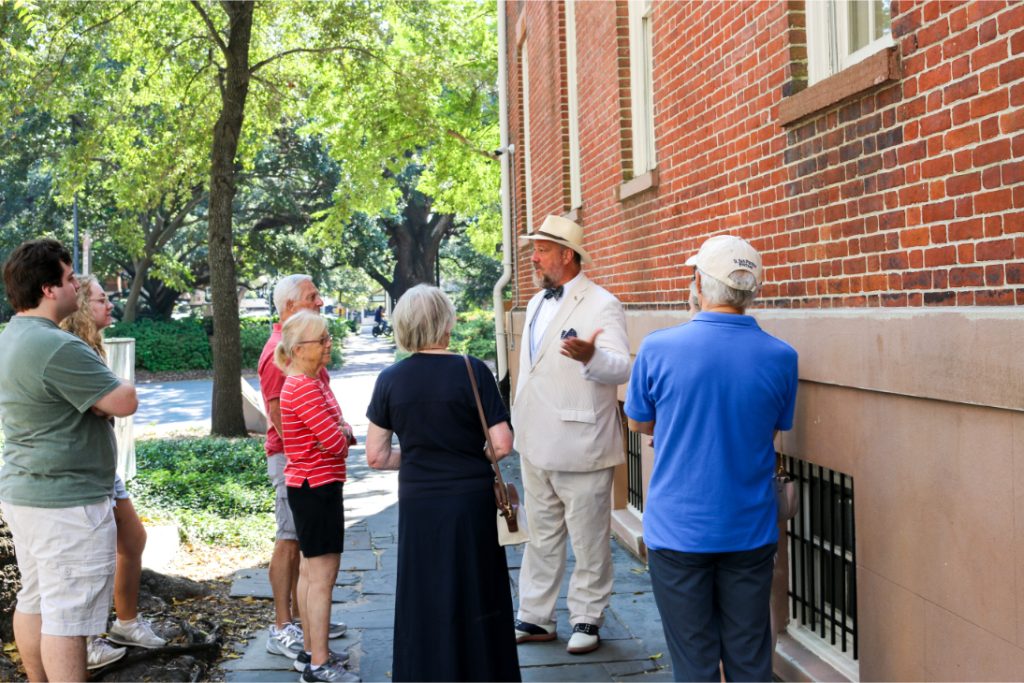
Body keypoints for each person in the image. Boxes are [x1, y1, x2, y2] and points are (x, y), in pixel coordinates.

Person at [624, 235, 798, 682]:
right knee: (750, 659)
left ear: (699, 282)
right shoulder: (782, 357)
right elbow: (774, 427)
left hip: (678, 532)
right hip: (749, 530)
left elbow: (639, 422)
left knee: (694, 663)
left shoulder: (658, 348)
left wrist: (674, 427)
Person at [365, 284, 521, 682]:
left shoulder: (390, 380)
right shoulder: (471, 370)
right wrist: (467, 454)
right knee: (478, 586)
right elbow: (502, 444)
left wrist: (420, 455)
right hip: (470, 500)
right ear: (446, 322)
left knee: (424, 591)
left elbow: (377, 456)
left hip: (420, 501)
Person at [0, 239, 138, 682]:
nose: (76, 284)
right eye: (69, 276)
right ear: (48, 289)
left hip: (27, 494)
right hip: (67, 503)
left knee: (36, 599)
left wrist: (93, 400)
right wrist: (99, 397)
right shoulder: (58, 347)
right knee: (68, 618)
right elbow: (123, 399)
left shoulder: (11, 335)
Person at [510, 215, 631, 655]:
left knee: (588, 539)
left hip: (581, 442)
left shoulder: (602, 303)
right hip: (534, 441)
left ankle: (587, 617)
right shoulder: (539, 302)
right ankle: (536, 616)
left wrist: (592, 355)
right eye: (533, 249)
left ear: (566, 254)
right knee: (540, 535)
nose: (533, 258)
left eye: (540, 250)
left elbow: (622, 367)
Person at [60, 275, 168, 669]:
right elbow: (112, 403)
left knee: (133, 539)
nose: (111, 306)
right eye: (102, 300)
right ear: (82, 307)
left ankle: (125, 623)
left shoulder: (93, 348)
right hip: (82, 473)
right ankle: (84, 641)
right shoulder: (71, 351)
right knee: (93, 560)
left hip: (107, 468)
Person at [259, 275, 347, 663]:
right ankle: (285, 626)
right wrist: (306, 449)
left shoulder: (303, 348)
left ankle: (312, 626)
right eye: (313, 297)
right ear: (291, 306)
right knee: (292, 540)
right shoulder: (284, 354)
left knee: (306, 553)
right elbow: (283, 414)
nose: (321, 300)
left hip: (305, 464)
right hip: (298, 464)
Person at [274, 310, 359, 683]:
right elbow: (337, 441)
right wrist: (342, 433)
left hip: (310, 486)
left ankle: (312, 651)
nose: (329, 344)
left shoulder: (309, 381)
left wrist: (341, 431)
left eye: (327, 338)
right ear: (298, 348)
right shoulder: (305, 387)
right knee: (322, 577)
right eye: (321, 340)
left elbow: (340, 431)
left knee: (310, 575)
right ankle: (319, 665)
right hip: (317, 487)